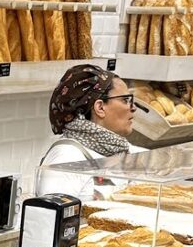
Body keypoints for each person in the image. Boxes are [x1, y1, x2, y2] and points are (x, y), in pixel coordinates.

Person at [36, 64, 140, 199]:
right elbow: (50, 218)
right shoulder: (66, 159)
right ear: (100, 107)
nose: (133, 108)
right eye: (125, 100)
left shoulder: (120, 149)